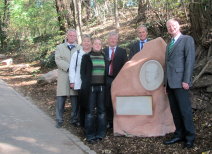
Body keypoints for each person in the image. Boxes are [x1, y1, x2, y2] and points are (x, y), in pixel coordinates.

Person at [163, 19, 196, 148]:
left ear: (178, 26)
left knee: (185, 111)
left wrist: (186, 80)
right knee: (175, 111)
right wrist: (165, 84)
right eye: (169, 27)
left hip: (181, 82)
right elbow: (167, 65)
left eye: (173, 25)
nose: (171, 28)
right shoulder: (168, 44)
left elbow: (189, 60)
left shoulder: (187, 39)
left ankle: (189, 137)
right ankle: (179, 134)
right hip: (170, 83)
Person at [80, 38, 107, 143]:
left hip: (102, 88)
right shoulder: (86, 57)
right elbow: (82, 73)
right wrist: (86, 85)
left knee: (101, 111)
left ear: (101, 45)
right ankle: (90, 135)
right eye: (95, 43)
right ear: (92, 45)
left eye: (99, 44)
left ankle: (101, 133)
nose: (97, 45)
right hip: (90, 88)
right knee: (90, 112)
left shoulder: (104, 57)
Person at [55, 29, 81, 128]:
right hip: (63, 76)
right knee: (61, 98)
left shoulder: (79, 48)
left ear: (76, 37)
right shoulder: (60, 47)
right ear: (67, 36)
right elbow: (58, 59)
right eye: (70, 35)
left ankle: (74, 119)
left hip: (75, 77)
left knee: (75, 99)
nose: (72, 37)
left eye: (74, 36)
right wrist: (70, 67)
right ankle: (59, 119)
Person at [103, 32, 128, 129]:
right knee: (107, 100)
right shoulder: (103, 51)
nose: (113, 40)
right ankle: (109, 121)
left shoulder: (122, 51)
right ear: (108, 40)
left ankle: (118, 122)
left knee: (117, 100)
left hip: (118, 79)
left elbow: (125, 66)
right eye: (111, 38)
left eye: (114, 38)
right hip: (107, 78)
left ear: (117, 40)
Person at [69, 34, 92, 128]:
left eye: (88, 41)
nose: (86, 43)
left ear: (91, 43)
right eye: (85, 41)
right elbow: (72, 68)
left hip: (92, 83)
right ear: (82, 43)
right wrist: (72, 81)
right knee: (81, 102)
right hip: (80, 82)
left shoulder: (94, 53)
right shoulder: (77, 54)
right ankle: (79, 120)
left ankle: (89, 119)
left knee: (91, 102)